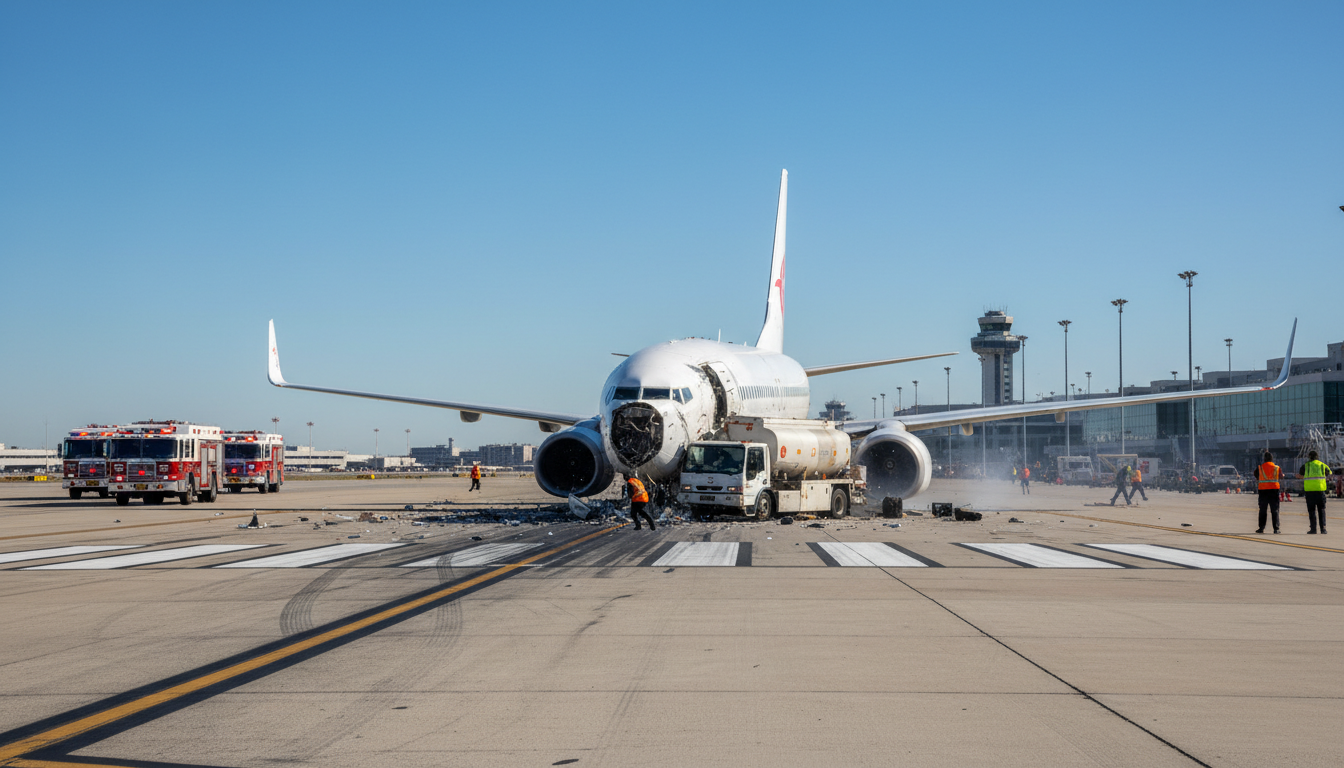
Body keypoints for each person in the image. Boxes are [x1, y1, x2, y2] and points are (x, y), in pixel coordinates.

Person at [1298, 450, 1330, 534]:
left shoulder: (1306, 465)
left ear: (1309, 457)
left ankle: (1313, 529)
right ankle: (1323, 529)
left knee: (1311, 511)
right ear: (1317, 456)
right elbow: (1329, 473)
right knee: (1321, 510)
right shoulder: (1322, 465)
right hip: (1320, 490)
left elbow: (1300, 474)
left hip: (1310, 492)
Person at [1255, 451, 1281, 534]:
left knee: (1263, 510)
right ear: (1272, 459)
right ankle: (1276, 528)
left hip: (1263, 491)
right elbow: (1281, 476)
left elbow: (1256, 475)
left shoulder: (1260, 467)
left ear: (1264, 459)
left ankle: (1261, 528)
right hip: (1274, 491)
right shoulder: (1277, 467)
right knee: (1275, 510)